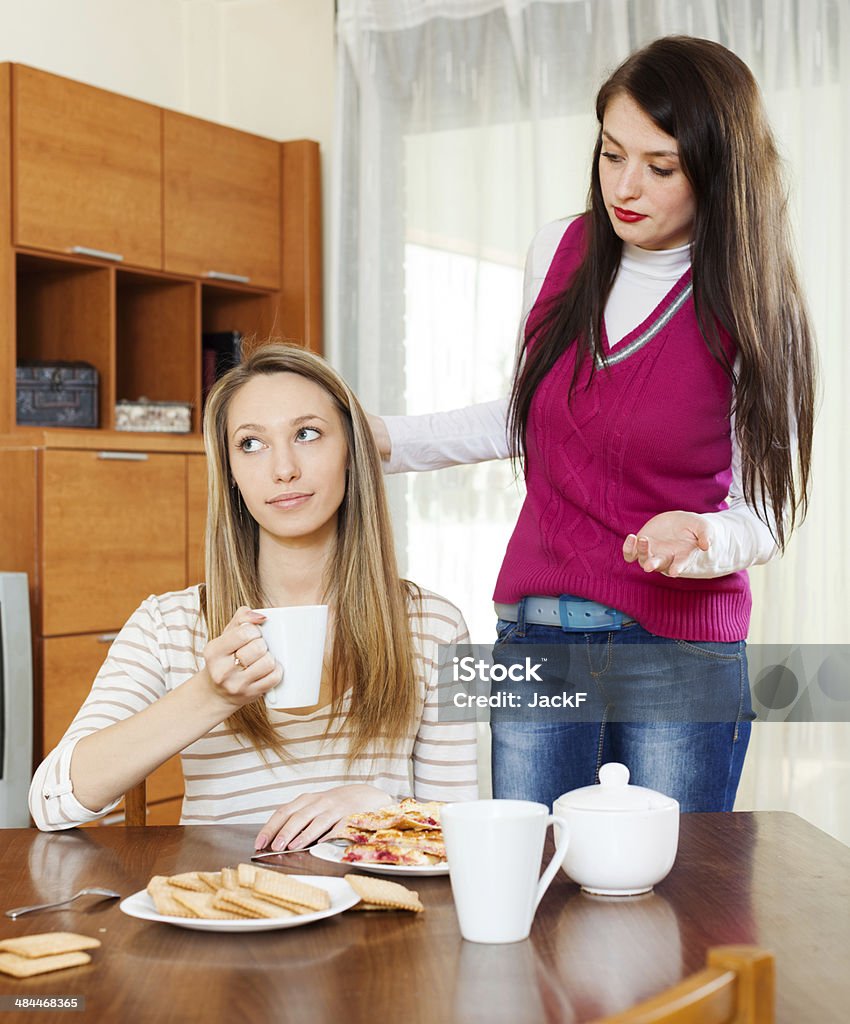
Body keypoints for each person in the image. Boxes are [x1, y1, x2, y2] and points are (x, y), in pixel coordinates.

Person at [370, 36, 816, 812]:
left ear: (718, 169)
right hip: (538, 636)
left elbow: (768, 513)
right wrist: (380, 439)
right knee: (534, 893)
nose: (626, 186)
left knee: (673, 902)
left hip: (680, 648)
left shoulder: (753, 305)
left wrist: (707, 540)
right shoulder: (561, 249)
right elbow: (528, 415)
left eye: (661, 166)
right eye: (612, 154)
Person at [30, 343, 478, 845]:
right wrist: (209, 695)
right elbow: (51, 803)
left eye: (307, 434)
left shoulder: (438, 624)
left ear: (352, 451)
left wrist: (383, 807)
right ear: (231, 473)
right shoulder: (167, 625)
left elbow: (464, 823)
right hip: (223, 906)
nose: (283, 468)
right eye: (251, 444)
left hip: (376, 909)